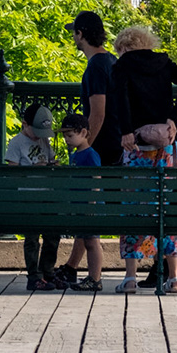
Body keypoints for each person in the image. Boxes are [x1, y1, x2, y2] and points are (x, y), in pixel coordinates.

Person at [109, 25, 177, 294]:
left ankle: (131, 277)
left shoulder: (123, 65)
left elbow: (119, 98)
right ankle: (175, 277)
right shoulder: (164, 62)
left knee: (134, 207)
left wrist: (125, 130)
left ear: (124, 47)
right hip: (166, 146)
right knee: (165, 207)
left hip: (136, 143)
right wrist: (173, 118)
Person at [56, 11, 119, 290]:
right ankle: (71, 267)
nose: (73, 37)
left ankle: (88, 274)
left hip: (101, 150)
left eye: (74, 32)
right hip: (117, 146)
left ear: (81, 34)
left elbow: (98, 111)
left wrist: (85, 145)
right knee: (88, 215)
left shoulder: (95, 66)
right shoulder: (112, 61)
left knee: (87, 212)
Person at [3, 105, 63, 291]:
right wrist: (32, 170)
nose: (39, 135)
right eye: (36, 131)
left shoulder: (44, 140)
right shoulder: (16, 143)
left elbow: (52, 159)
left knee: (52, 235)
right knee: (32, 238)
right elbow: (12, 173)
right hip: (28, 196)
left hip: (46, 194)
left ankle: (48, 271)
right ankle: (33, 275)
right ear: (25, 124)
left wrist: (53, 165)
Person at [57, 114, 103, 292]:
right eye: (65, 136)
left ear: (84, 132)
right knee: (85, 239)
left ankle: (95, 278)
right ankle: (92, 277)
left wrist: (91, 203)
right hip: (79, 206)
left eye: (70, 135)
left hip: (88, 206)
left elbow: (96, 179)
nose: (66, 139)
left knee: (92, 242)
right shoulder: (76, 155)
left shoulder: (90, 155)